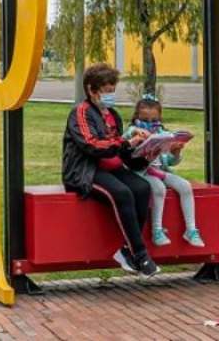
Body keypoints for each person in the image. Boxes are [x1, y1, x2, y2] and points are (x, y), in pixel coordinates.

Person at [62, 63, 160, 277]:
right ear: (91, 90)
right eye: (107, 92)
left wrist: (148, 150)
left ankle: (127, 250)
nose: (110, 96)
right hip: (86, 171)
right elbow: (91, 145)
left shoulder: (112, 115)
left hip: (112, 168)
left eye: (112, 91)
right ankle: (141, 255)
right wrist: (125, 144)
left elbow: (121, 151)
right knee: (122, 193)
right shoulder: (81, 112)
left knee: (143, 188)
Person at [124, 95, 205, 248]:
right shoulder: (133, 132)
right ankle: (157, 230)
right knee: (159, 188)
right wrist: (136, 131)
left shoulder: (162, 133)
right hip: (143, 173)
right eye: (145, 120)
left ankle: (191, 229)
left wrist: (175, 152)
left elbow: (169, 162)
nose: (150, 124)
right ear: (136, 118)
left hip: (160, 170)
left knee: (185, 186)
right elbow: (125, 138)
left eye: (154, 120)